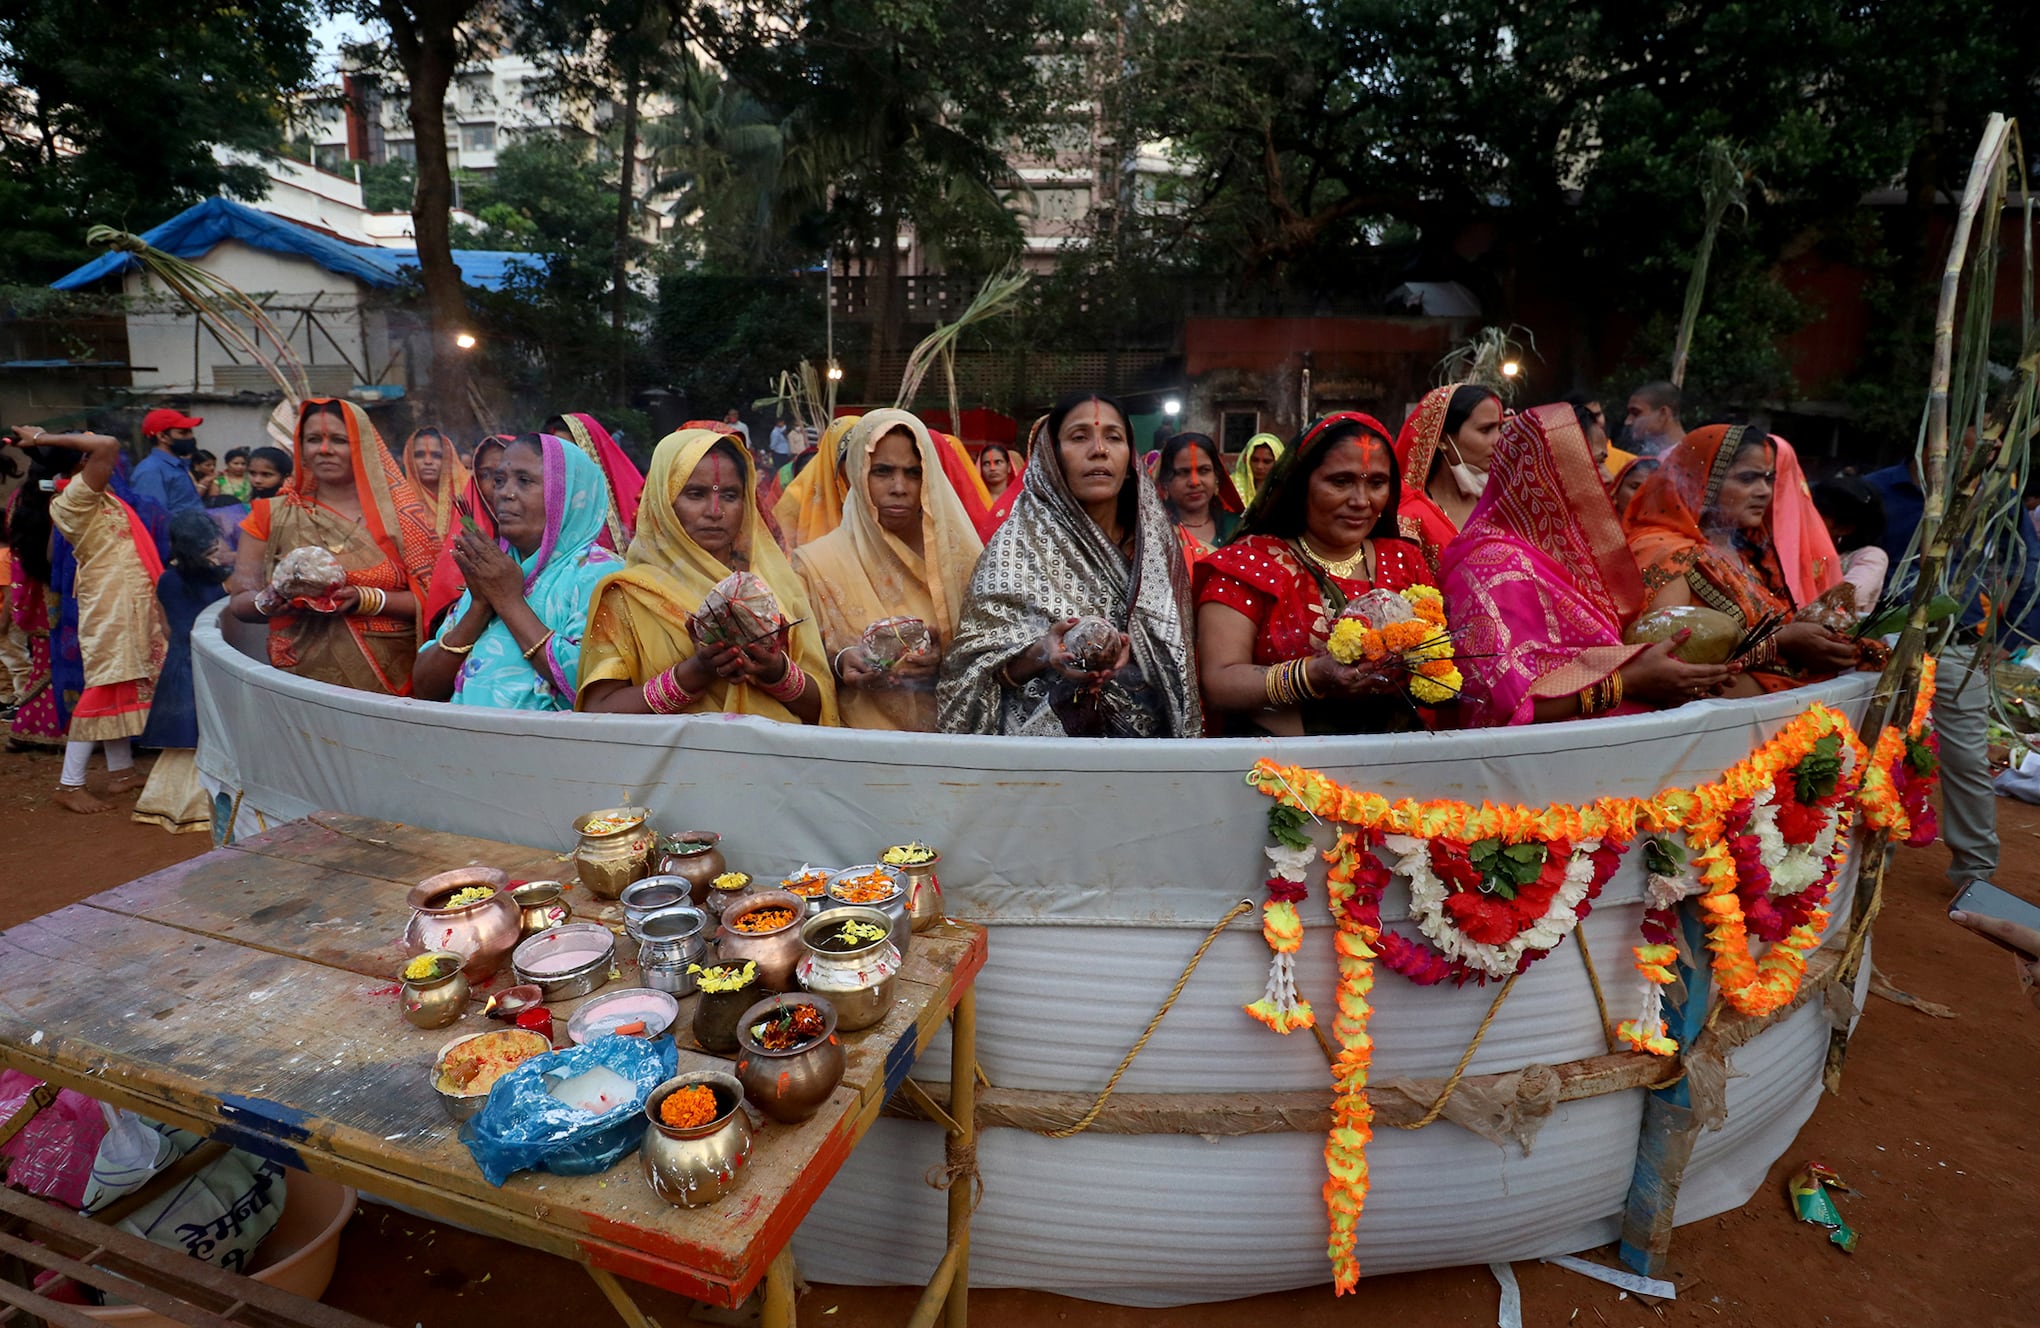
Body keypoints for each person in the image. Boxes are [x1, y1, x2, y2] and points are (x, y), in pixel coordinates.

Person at [1442, 404, 1731, 726]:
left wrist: (1679, 676)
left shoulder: (1569, 556)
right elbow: (1494, 707)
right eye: (1592, 465)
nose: (1607, 478)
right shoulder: (1492, 565)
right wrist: (1628, 683)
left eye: (1604, 461)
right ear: (1544, 474)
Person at [939, 392, 1200, 738]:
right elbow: (969, 672)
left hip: (1145, 760)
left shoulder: (1155, 549)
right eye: (1079, 437)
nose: (1099, 450)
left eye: (1114, 437)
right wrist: (1043, 653)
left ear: (1129, 460)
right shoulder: (1014, 549)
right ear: (1053, 457)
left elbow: (1177, 666)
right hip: (1038, 763)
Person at [1196, 412, 1434, 736]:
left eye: (1376, 483)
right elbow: (1219, 681)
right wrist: (1313, 675)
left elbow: (1439, 658)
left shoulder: (1406, 560)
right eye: (1340, 481)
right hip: (1282, 771)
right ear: (1301, 483)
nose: (1361, 501)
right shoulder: (1249, 562)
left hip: (1399, 766)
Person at [1867, 454, 2040, 896]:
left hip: (1957, 644)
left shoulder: (1995, 497)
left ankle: (1976, 871)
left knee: (1965, 756)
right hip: (1880, 643)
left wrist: (2011, 634)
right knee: (1878, 748)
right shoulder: (1880, 489)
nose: (1971, 454)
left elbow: (2027, 565)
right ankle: (1869, 851)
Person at [578, 428, 836, 725]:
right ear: (663, 502)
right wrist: (693, 673)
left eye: (730, 495)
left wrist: (775, 671)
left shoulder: (776, 586)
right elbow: (597, 711)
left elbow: (823, 707)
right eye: (695, 494)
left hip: (775, 766)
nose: (715, 511)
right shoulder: (628, 595)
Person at [1626, 423, 1860, 695]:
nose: (1764, 492)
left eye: (1768, 479)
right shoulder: (1664, 550)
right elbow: (1666, 658)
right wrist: (1780, 642)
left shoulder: (1748, 551)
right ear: (1702, 482)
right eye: (1747, 479)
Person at [226, 399, 438, 695]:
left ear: (363, 445)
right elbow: (240, 602)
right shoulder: (271, 515)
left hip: (395, 687)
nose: (324, 450)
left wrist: (365, 599)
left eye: (339, 440)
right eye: (313, 439)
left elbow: (434, 601)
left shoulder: (403, 517)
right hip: (301, 687)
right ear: (301, 447)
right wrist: (271, 600)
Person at [791, 409, 983, 730]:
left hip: (953, 749)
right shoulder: (814, 564)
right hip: (856, 753)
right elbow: (795, 667)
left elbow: (994, 658)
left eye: (913, 472)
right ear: (856, 472)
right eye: (882, 471)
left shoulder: (960, 561)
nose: (899, 487)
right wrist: (841, 664)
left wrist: (946, 660)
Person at [9, 427, 166, 814]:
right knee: (104, 686)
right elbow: (109, 444)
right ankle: (70, 783)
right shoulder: (77, 496)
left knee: (117, 680)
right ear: (83, 462)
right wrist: (44, 436)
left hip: (122, 601)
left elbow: (104, 447)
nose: (95, 440)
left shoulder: (89, 493)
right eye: (86, 441)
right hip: (113, 606)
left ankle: (121, 772)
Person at [414, 434, 619, 711]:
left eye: (524, 481)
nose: (504, 493)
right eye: (499, 481)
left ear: (567, 494)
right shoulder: (491, 568)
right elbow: (424, 686)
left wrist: (509, 602)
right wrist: (479, 606)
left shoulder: (599, 574)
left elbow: (592, 685)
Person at [132, 510, 231, 833]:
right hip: (209, 664)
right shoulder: (218, 578)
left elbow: (167, 627)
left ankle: (162, 803)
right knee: (207, 734)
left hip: (179, 662)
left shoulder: (166, 579)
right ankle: (201, 808)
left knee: (182, 738)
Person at [1394, 384, 1505, 572]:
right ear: (1443, 440)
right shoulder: (1409, 518)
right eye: (1486, 430)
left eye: (1500, 428)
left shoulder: (1499, 504)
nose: (1499, 440)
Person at [4, 460, 64, 750]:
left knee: (44, 661)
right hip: (66, 587)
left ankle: (30, 727)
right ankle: (53, 729)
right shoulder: (69, 497)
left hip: (37, 588)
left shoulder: (21, 499)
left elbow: (19, 551)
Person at [548, 414, 645, 552]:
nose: (564, 460)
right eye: (556, 452)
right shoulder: (541, 500)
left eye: (571, 451)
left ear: (591, 452)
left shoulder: (630, 502)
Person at [1156, 431, 1243, 567]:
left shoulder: (1238, 528)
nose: (1194, 482)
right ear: (1165, 482)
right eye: (1183, 472)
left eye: (1204, 470)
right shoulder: (1155, 533)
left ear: (1217, 477)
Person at [774, 415, 861, 547]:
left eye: (863, 455)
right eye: (848, 456)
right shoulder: (796, 497)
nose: (857, 464)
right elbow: (781, 553)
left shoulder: (875, 494)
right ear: (832, 457)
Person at [1812, 475, 1890, 620]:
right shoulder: (1800, 548)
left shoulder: (1870, 556)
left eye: (1817, 515)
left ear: (1844, 528)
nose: (1807, 519)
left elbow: (1852, 594)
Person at [128, 408, 206, 519]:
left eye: (190, 432)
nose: (190, 437)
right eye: (183, 433)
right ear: (162, 437)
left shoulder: (177, 465)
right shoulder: (151, 471)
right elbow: (153, 518)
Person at [401, 426, 469, 543]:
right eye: (419, 455)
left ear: (448, 459)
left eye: (437, 456)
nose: (428, 461)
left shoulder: (464, 496)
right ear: (409, 459)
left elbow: (474, 530)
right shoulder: (399, 502)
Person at [1621, 381, 1686, 456]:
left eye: (1636, 413)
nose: (1628, 421)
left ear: (1663, 414)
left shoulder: (1689, 456)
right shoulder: (1644, 453)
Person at [1230, 432, 1285, 510]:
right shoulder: (1232, 485)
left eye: (1266, 461)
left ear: (1277, 461)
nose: (1259, 467)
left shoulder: (1286, 489)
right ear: (1247, 459)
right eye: (1255, 460)